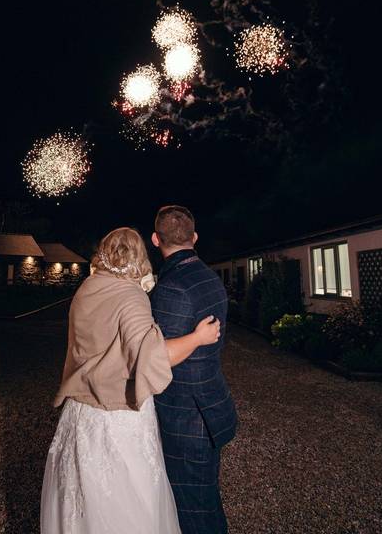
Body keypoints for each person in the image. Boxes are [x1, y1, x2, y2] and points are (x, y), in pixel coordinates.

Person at [40, 227, 221, 534]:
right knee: (127, 500)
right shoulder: (131, 296)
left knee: (82, 500)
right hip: (117, 418)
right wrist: (196, 338)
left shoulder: (87, 287)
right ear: (140, 256)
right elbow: (149, 356)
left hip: (80, 414)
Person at [150, 205, 237, 534]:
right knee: (204, 502)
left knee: (193, 512)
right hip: (209, 404)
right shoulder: (208, 276)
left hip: (187, 418)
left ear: (156, 239)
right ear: (195, 237)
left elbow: (160, 358)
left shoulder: (172, 287)